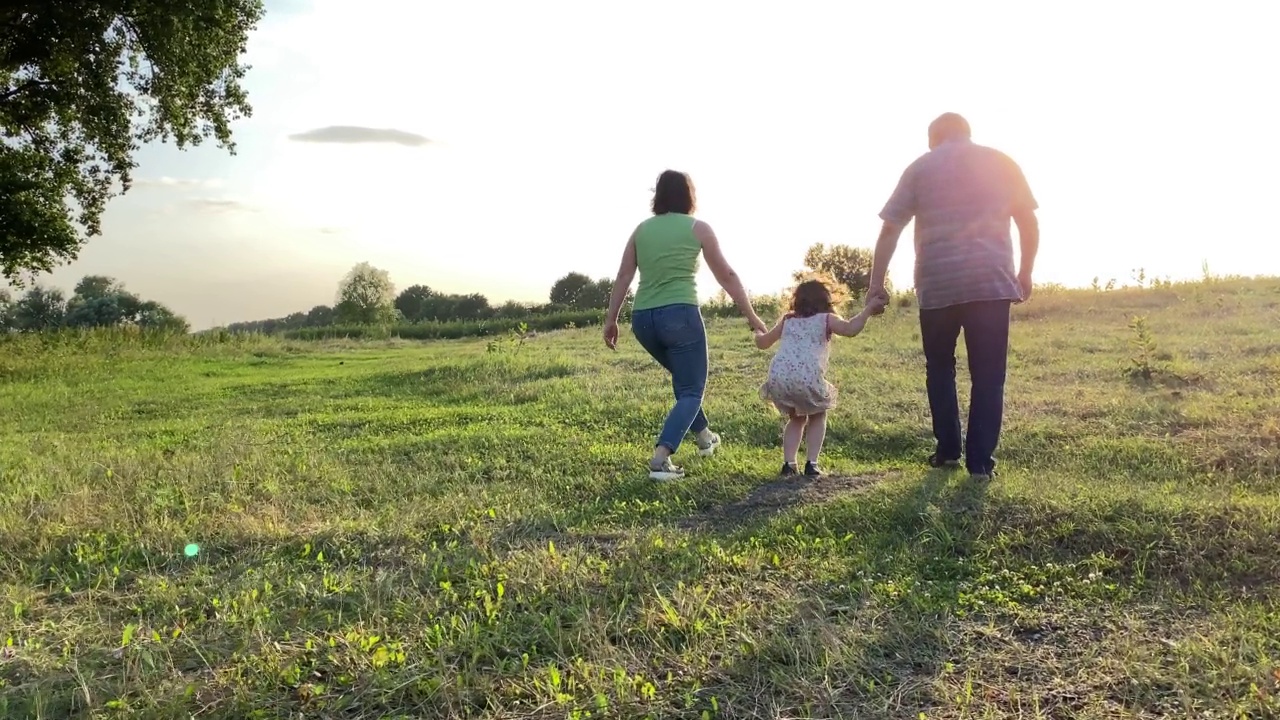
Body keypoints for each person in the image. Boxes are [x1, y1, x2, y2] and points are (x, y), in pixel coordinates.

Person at [866, 112, 1040, 480]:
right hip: (990, 283)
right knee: (990, 375)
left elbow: (890, 229)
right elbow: (1028, 221)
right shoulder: (1001, 161)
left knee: (940, 369)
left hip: (937, 284)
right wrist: (1025, 271)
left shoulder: (920, 168)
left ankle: (947, 451)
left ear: (933, 138)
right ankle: (980, 464)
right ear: (967, 132)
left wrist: (875, 284)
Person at [604, 170, 767, 481]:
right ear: (690, 195)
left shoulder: (641, 230)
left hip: (643, 320)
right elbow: (727, 276)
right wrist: (753, 316)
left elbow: (624, 277)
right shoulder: (698, 228)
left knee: (683, 379)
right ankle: (661, 459)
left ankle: (705, 437)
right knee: (692, 388)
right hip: (680, 316)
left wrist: (611, 320)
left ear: (658, 195)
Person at [754, 279, 886, 478]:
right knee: (818, 413)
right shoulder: (826, 319)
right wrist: (868, 310)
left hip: (780, 377)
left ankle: (789, 465)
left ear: (796, 300)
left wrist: (757, 332)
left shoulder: (788, 320)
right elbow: (851, 329)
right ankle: (812, 464)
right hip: (807, 376)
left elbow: (763, 343)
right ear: (826, 300)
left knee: (796, 418)